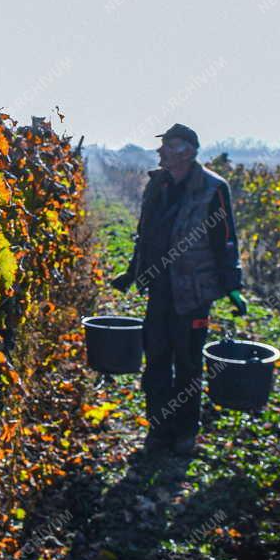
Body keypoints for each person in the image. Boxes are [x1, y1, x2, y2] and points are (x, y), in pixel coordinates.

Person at [111, 124, 247, 458]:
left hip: (193, 292)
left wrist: (232, 287)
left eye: (167, 146)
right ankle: (158, 431)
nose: (160, 152)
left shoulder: (212, 188)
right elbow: (145, 234)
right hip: (159, 289)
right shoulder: (156, 183)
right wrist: (132, 272)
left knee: (187, 364)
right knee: (156, 360)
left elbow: (225, 239)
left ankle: (185, 434)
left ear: (186, 151)